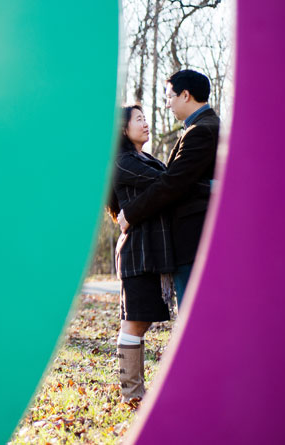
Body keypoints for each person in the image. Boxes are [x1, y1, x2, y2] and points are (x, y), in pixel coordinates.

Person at [118, 70, 220, 306]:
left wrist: (131, 213)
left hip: (194, 239)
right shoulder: (201, 127)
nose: (167, 105)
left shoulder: (202, 131)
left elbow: (172, 184)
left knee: (195, 314)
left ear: (185, 95)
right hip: (193, 239)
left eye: (170, 97)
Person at [108, 104, 176, 402]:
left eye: (146, 118)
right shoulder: (122, 161)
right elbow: (167, 184)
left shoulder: (143, 157)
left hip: (152, 248)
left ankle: (136, 392)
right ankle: (132, 394)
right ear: (124, 129)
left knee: (143, 320)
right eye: (139, 120)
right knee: (134, 322)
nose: (146, 124)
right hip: (138, 249)